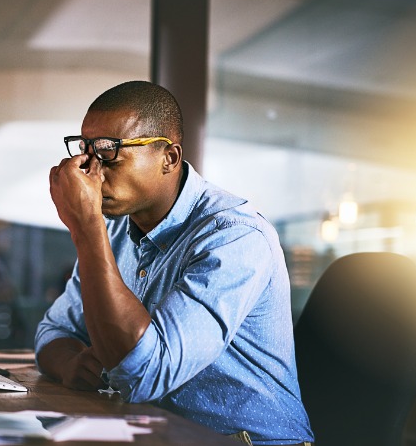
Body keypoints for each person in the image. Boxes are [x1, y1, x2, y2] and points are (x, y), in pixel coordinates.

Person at [35, 81, 314, 445]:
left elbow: (143, 373)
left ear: (169, 157)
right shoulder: (117, 230)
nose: (90, 171)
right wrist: (72, 363)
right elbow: (53, 331)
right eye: (85, 151)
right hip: (158, 436)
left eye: (109, 152)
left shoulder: (235, 237)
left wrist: (86, 227)